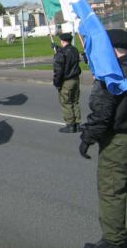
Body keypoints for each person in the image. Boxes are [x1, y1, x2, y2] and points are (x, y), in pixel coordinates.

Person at [79, 29, 127, 248]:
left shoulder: (112, 72)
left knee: (112, 189)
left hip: (118, 140)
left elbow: (102, 111)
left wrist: (87, 137)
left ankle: (113, 241)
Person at [52, 33, 82, 133]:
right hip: (76, 79)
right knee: (75, 101)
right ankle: (77, 123)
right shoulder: (74, 50)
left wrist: (57, 83)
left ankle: (70, 124)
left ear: (62, 40)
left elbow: (58, 70)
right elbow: (67, 53)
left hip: (66, 81)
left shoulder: (60, 54)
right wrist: (57, 48)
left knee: (66, 102)